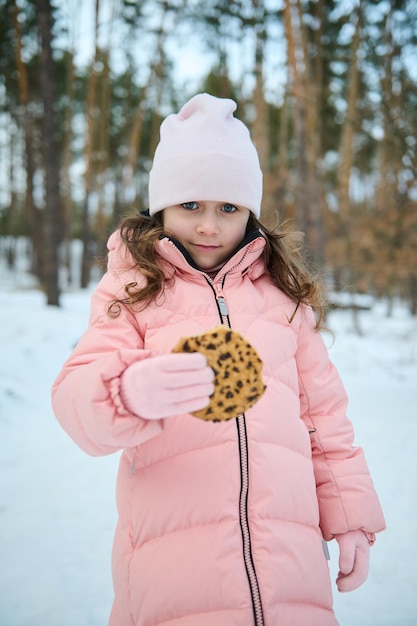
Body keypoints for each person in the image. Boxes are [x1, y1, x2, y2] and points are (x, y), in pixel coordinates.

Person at [52, 93, 386, 626]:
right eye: (191, 205)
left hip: (289, 567)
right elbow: (75, 398)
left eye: (227, 208)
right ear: (162, 206)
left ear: (249, 212)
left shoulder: (283, 300)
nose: (209, 226)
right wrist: (126, 391)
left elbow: (325, 421)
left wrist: (348, 515)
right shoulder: (133, 290)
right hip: (175, 567)